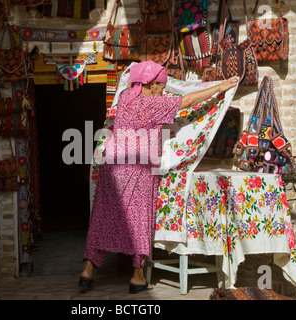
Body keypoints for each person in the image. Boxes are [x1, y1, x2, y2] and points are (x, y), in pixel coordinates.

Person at [79, 61, 238, 294]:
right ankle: (137, 276)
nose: (163, 91)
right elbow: (188, 101)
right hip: (139, 168)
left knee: (103, 215)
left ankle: (87, 270)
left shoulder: (124, 96)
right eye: (162, 87)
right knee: (140, 220)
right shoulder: (153, 103)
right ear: (152, 84)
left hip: (111, 165)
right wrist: (220, 87)